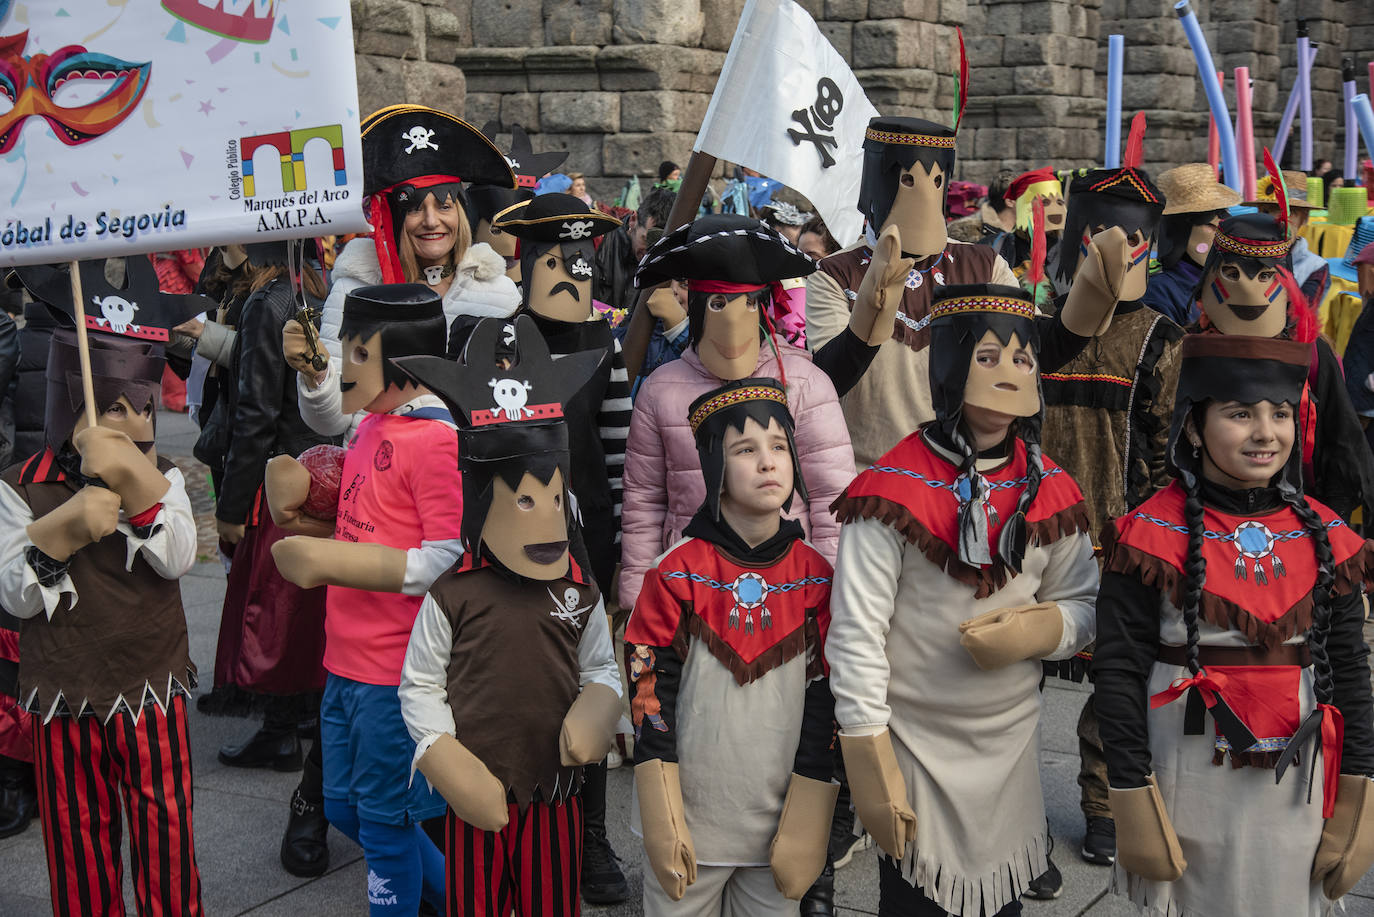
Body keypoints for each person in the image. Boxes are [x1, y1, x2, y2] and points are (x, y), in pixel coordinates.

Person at [826, 279, 1099, 916]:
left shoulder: (1053, 489)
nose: (1009, 374)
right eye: (987, 357)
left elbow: (1084, 603)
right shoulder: (888, 491)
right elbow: (857, 631)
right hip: (915, 742)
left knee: (1003, 905)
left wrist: (1045, 628)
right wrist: (866, 744)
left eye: (1024, 359)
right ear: (950, 363)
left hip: (1010, 749)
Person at [1093, 333, 1374, 916]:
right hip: (1185, 770)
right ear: (1194, 426)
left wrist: (1361, 784)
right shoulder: (1146, 537)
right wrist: (1128, 784)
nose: (1265, 432)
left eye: (1280, 413)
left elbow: (1350, 668)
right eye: (1240, 413)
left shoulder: (1330, 540)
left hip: (1298, 782)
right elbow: (1118, 667)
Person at [394, 315, 622, 917]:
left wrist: (599, 704)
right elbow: (419, 682)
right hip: (478, 791)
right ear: (484, 501)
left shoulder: (580, 593)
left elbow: (601, 664)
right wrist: (442, 754)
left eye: (552, 498)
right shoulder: (454, 595)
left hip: (555, 793)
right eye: (525, 499)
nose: (543, 516)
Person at [269, 284, 464, 916]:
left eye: (353, 355)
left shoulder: (436, 439)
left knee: (383, 825)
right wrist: (321, 533)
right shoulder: (375, 423)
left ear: (398, 363)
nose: (342, 367)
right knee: (345, 808)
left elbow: (446, 555)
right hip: (344, 661)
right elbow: (374, 525)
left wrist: (332, 560)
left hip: (393, 671)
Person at [0, 325, 203, 915]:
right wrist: (58, 534)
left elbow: (178, 556)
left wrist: (141, 496)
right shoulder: (20, 488)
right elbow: (15, 596)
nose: (136, 422)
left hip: (150, 682)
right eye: (115, 408)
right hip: (63, 685)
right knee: (75, 830)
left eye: (142, 407)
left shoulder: (162, 476)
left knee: (164, 823)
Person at [626, 378, 836, 916]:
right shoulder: (674, 573)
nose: (768, 462)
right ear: (714, 467)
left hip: (777, 828)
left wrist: (810, 808)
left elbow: (826, 697)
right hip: (691, 824)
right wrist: (663, 811)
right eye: (745, 449)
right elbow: (648, 693)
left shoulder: (816, 577)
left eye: (779, 446)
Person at [806, 100, 1105, 469]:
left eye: (936, 180)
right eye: (907, 180)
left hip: (967, 478)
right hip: (872, 478)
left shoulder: (983, 264)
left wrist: (1089, 305)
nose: (924, 192)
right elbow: (828, 380)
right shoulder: (834, 274)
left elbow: (1034, 349)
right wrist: (870, 309)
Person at [1038, 131, 1182, 882]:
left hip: (1120, 534)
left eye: (1133, 236)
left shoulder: (1160, 337)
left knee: (1114, 682)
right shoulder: (1040, 330)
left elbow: (1165, 447)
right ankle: (1010, 815)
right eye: (1105, 234)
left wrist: (1152, 531)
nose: (1119, 250)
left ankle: (1100, 804)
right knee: (1011, 678)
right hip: (1034, 532)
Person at [621, 215, 855, 612]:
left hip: (788, 588)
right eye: (718, 304)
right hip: (691, 590)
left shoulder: (802, 382)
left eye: (748, 303)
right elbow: (644, 501)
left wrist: (830, 592)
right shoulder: (660, 390)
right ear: (696, 307)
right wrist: (639, 596)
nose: (733, 318)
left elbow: (833, 497)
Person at [194, 242, 340, 879]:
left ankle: (281, 726)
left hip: (277, 479)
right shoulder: (316, 284)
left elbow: (254, 411)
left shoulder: (266, 302)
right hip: (321, 477)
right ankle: (291, 720)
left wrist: (231, 504)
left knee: (273, 617)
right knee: (306, 618)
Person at [288, 105, 522, 439]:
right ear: (393, 220)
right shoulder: (354, 291)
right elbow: (332, 420)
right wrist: (317, 374)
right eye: (414, 209)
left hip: (463, 476)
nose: (431, 221)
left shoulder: (498, 293)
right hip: (376, 472)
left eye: (443, 205)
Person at [1195, 209, 1374, 523]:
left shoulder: (1312, 352)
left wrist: (1331, 521)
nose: (1250, 290)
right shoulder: (1187, 347)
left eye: (1265, 276)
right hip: (1205, 514)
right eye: (1233, 274)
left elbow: (1340, 440)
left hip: (1298, 513)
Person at [1141, 163, 1240, 326]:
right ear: (1181, 231)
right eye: (1211, 226)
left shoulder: (1228, 286)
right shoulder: (1159, 292)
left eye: (1224, 226)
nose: (1220, 235)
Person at [1246, 169, 1329, 305]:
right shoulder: (1242, 253)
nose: (1276, 219)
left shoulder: (1315, 267)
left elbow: (1302, 314)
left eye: (1289, 212)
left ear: (1305, 218)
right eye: (1268, 211)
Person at [594, 185, 676, 314]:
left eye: (661, 245)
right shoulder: (600, 243)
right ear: (633, 220)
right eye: (645, 239)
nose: (651, 253)